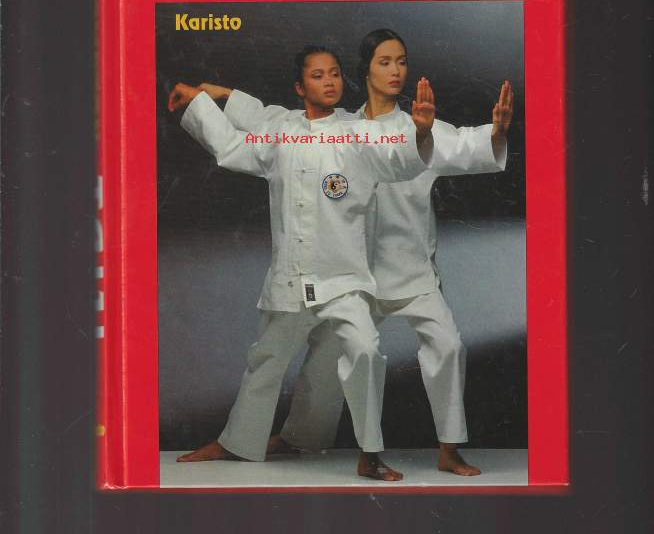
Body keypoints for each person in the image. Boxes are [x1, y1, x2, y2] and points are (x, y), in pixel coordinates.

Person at [205, 30, 513, 475]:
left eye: (402, 61)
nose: (396, 71)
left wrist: (494, 133)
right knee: (326, 361)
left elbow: (467, 145)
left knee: (446, 346)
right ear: (365, 70)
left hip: (408, 270)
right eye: (385, 62)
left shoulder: (418, 126)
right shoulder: (342, 128)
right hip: (351, 272)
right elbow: (277, 121)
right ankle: (302, 437)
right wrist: (224, 97)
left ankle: (448, 447)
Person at [167, 46, 436, 481]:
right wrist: (203, 100)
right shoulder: (283, 131)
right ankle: (239, 443)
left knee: (363, 353)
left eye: (335, 74)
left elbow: (399, 161)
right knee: (267, 360)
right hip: (293, 276)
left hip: (343, 279)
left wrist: (421, 134)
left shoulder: (357, 132)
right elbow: (237, 141)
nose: (329, 82)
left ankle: (367, 454)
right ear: (300, 86)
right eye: (317, 75)